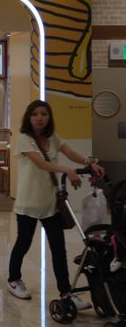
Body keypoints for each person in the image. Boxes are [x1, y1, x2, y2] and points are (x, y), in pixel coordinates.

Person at [7, 100, 105, 309]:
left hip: (51, 204)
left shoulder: (53, 137)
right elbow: (41, 164)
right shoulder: (24, 139)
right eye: (35, 114)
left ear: (49, 117)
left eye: (44, 114)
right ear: (29, 117)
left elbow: (71, 153)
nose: (39, 118)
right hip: (28, 204)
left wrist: (90, 163)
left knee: (59, 249)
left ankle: (66, 292)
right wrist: (68, 171)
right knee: (23, 243)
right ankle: (14, 279)